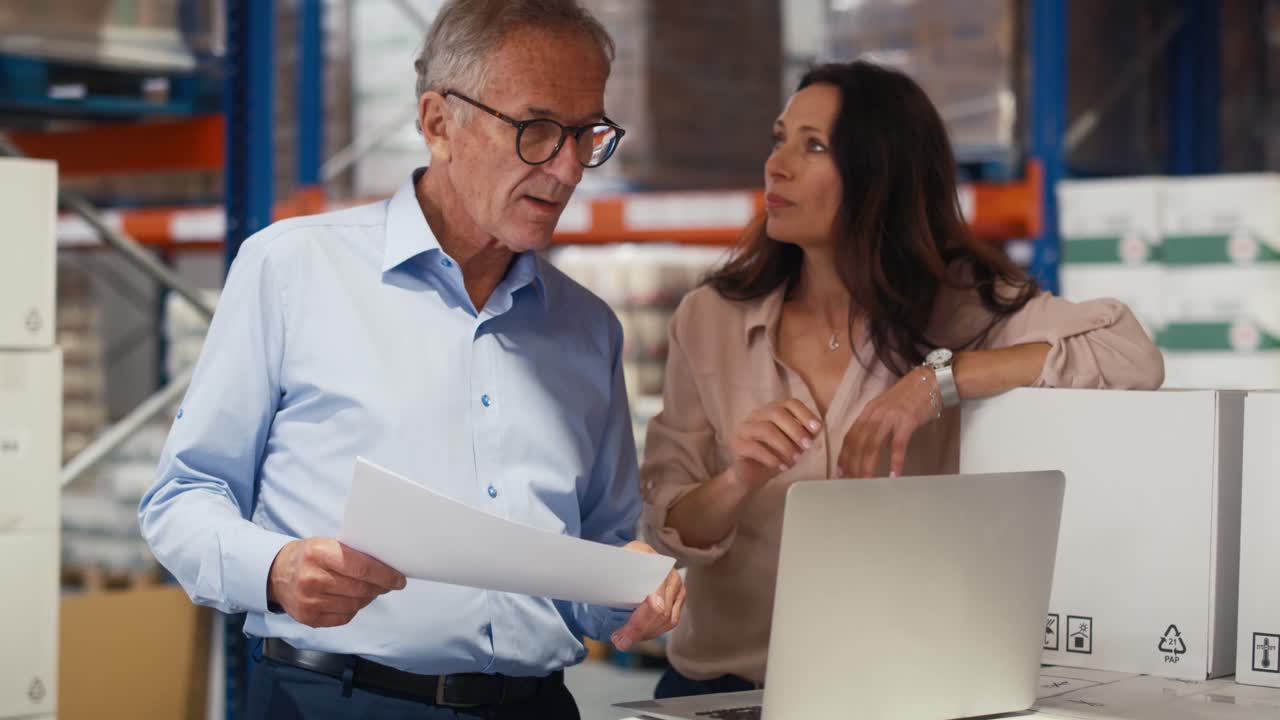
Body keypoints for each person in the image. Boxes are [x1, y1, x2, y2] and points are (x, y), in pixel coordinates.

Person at [138, 1, 683, 718]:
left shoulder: (587, 328)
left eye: (588, 135)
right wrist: (275, 569)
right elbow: (181, 498)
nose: (568, 167)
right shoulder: (293, 269)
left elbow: (601, 555)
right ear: (437, 123)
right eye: (538, 130)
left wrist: (630, 591)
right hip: (334, 699)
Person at [639, 60, 1164, 698]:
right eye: (780, 139)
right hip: (724, 692)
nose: (777, 165)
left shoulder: (960, 305)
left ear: (879, 173)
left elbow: (1129, 354)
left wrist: (939, 379)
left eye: (814, 146)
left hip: (901, 690)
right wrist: (737, 479)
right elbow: (670, 527)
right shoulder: (711, 318)